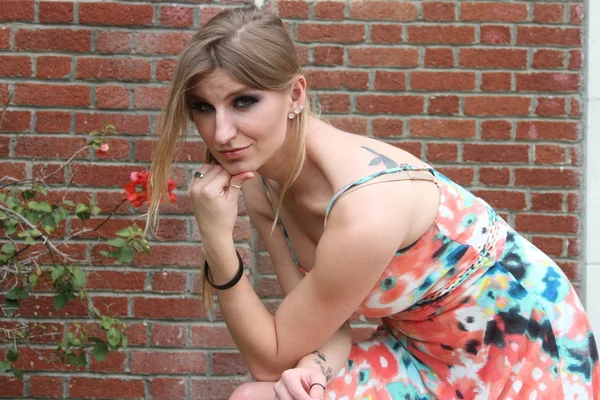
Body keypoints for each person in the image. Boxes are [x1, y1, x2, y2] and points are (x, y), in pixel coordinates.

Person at [146, 5, 599, 400]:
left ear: (296, 95)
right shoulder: (262, 186)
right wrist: (316, 371)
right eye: (203, 107)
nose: (221, 132)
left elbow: (270, 356)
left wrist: (216, 241)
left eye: (243, 102)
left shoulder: (366, 207)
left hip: (525, 352)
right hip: (423, 353)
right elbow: (316, 330)